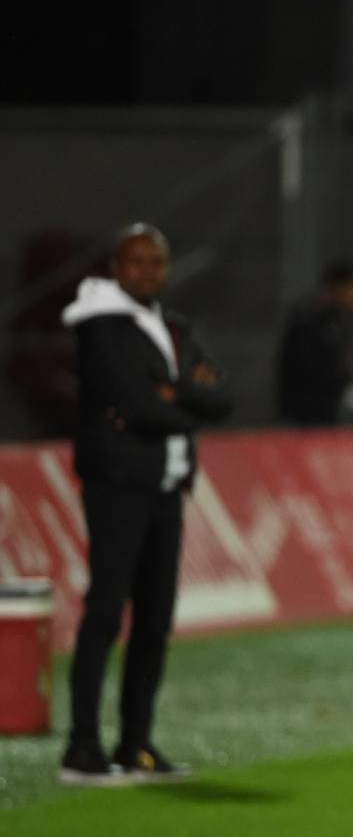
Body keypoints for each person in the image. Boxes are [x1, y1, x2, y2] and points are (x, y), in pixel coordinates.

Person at [59, 223, 232, 784]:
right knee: (106, 613)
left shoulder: (175, 327)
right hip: (118, 484)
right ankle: (82, 747)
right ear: (115, 268)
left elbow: (223, 397)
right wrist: (188, 398)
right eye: (135, 262)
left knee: (154, 621)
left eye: (155, 262)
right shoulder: (100, 325)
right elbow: (136, 405)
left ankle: (135, 744)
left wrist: (175, 392)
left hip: (166, 485)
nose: (146, 272)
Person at [277, 260, 353, 426]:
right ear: (338, 287)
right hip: (306, 419)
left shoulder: (335, 320)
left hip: (328, 416)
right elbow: (312, 368)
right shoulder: (309, 318)